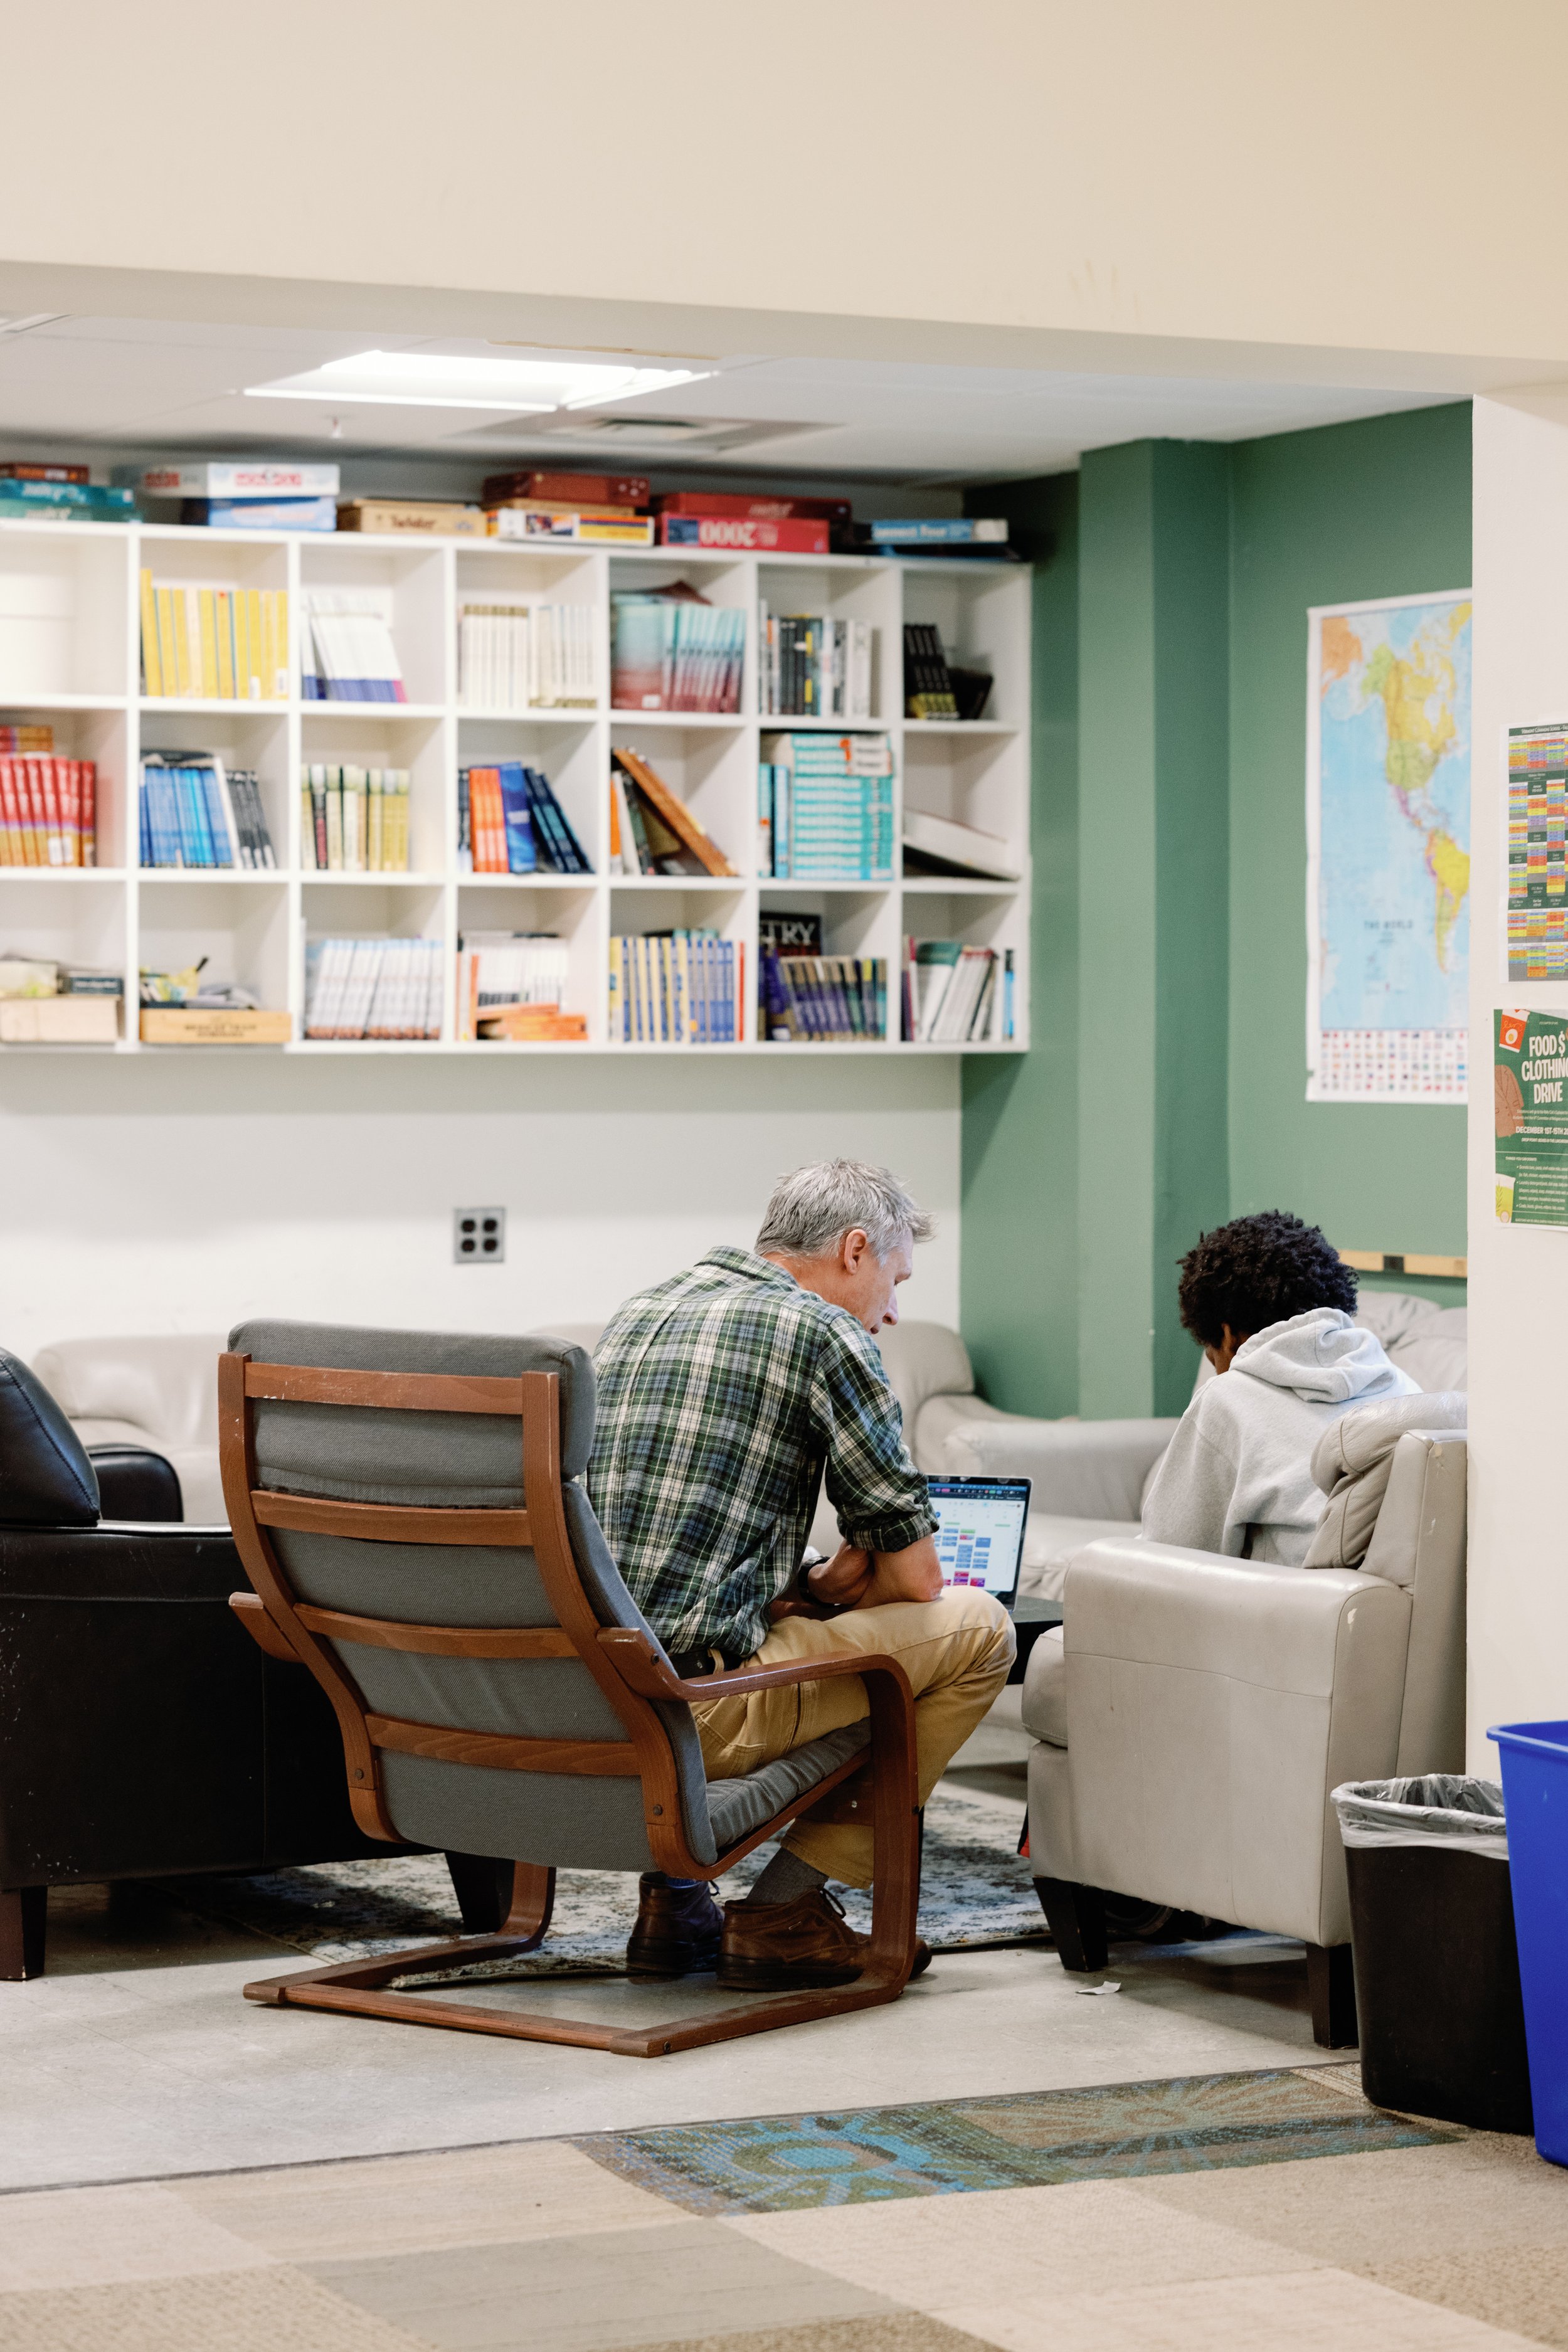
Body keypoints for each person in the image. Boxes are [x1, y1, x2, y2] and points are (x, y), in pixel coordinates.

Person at [586, 1158, 1015, 1992]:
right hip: (685, 1714)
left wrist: (818, 1588)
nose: (893, 1312)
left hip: (577, 1692)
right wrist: (872, 1575)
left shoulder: (642, 1310)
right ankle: (783, 1912)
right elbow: (921, 1581)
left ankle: (675, 1903)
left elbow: (660, 1555)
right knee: (974, 1632)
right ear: (856, 1249)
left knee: (834, 1640)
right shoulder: (824, 1332)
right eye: (895, 1279)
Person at [1140, 1210, 1419, 1564]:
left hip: (1284, 1609)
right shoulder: (1404, 1387)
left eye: (1214, 1360)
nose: (1218, 1373)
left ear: (1227, 1335)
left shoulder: (1227, 1399)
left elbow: (1170, 1557)